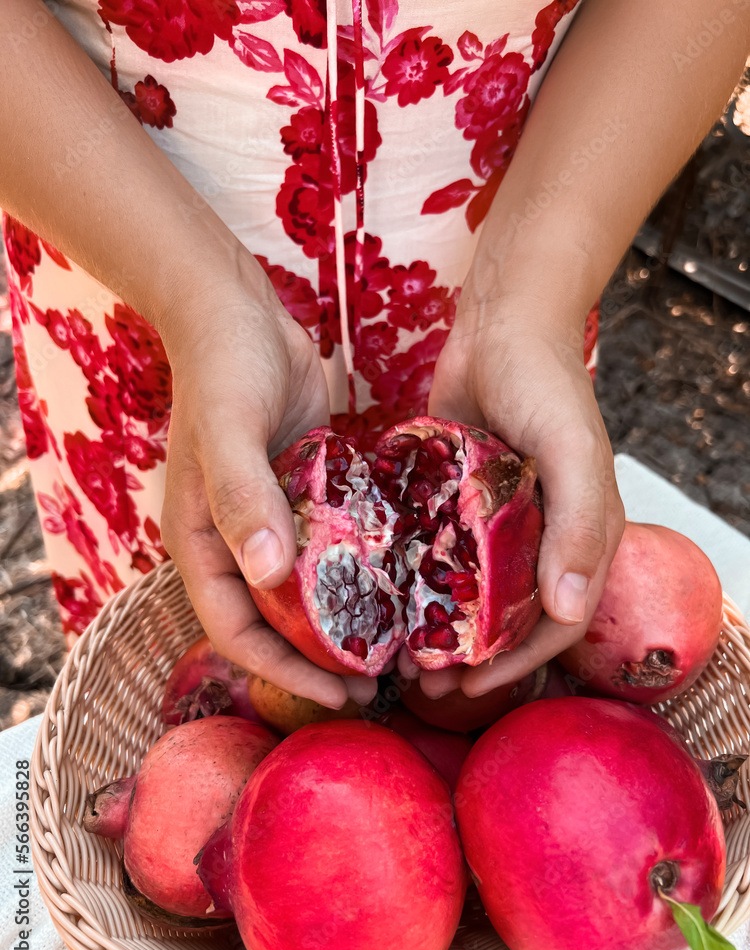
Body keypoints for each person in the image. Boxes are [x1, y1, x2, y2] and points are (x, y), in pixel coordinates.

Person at [1, 0, 748, 711]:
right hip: (130, 262)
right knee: (156, 653)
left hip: (516, 262)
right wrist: (198, 300)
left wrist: (528, 301)